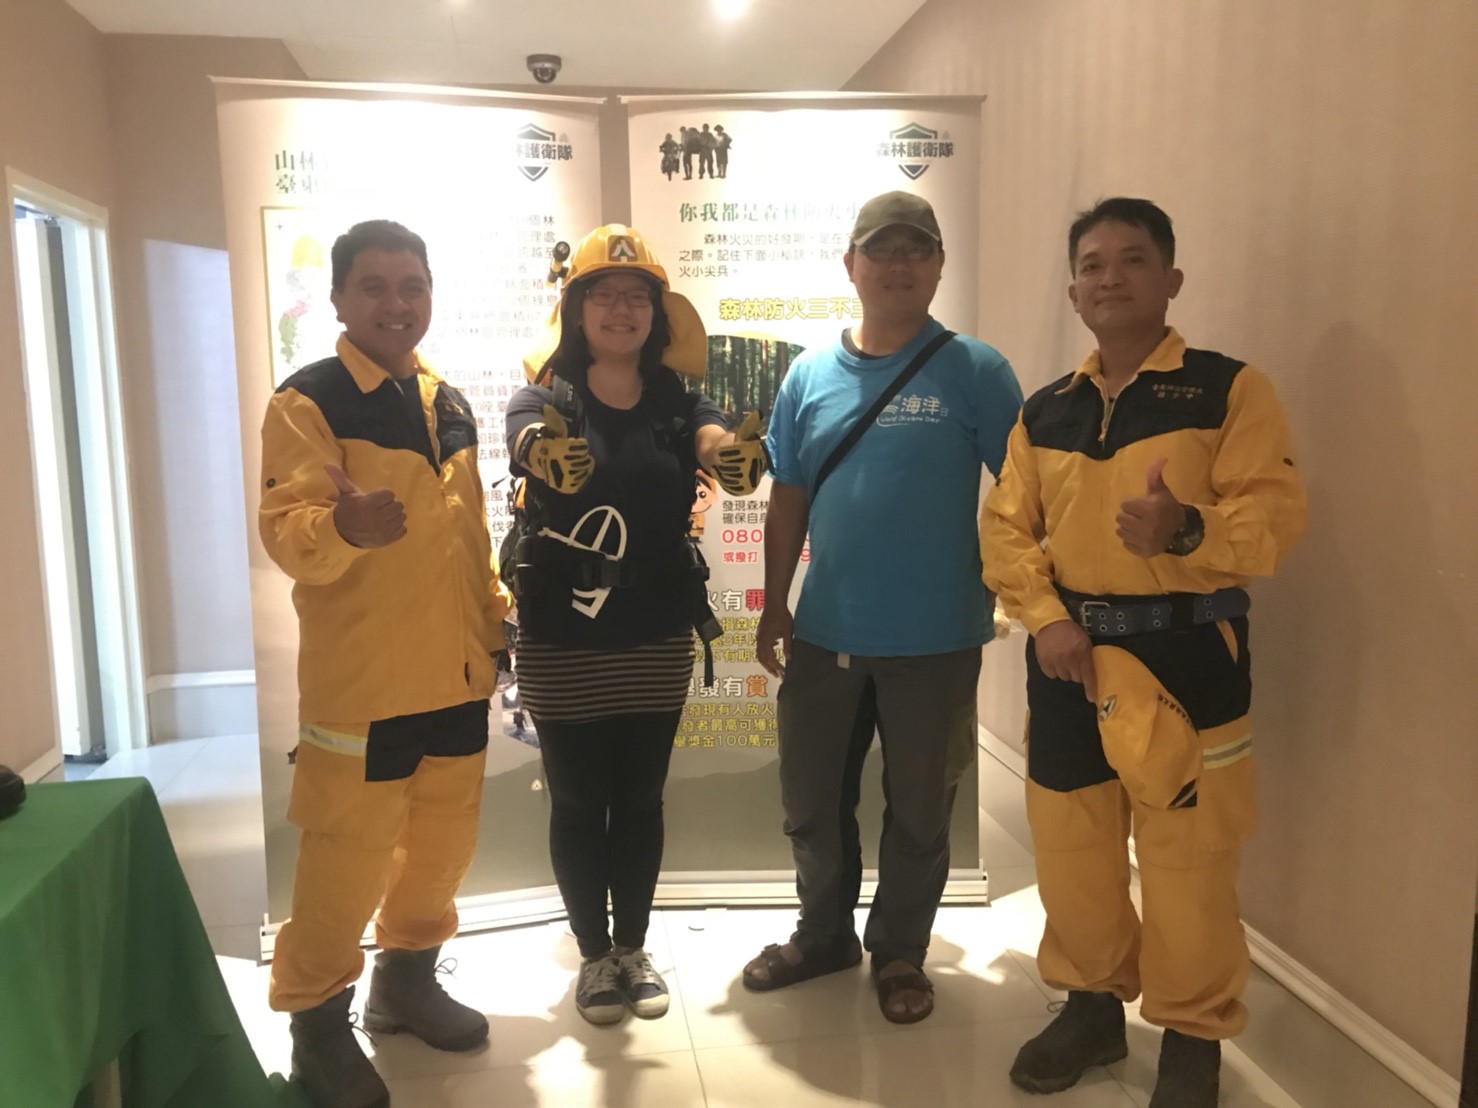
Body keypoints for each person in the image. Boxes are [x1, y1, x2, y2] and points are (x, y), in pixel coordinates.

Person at [981, 198, 1307, 1106]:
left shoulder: (1227, 390)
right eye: (1091, 264)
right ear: (1074, 292)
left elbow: (1276, 518)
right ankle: (1091, 1008)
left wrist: (1186, 528)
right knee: (1071, 849)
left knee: (1190, 860)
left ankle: (1194, 1038)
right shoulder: (1045, 410)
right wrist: (1045, 618)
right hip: (1069, 658)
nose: (1109, 277)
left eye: (1132, 259)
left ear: (1171, 279)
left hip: (1190, 655)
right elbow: (1005, 528)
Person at [744, 191, 1023, 1024]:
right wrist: (775, 604)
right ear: (851, 265)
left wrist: (1012, 584)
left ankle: (900, 949)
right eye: (881, 249)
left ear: (938, 265)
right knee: (811, 800)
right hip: (826, 628)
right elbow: (788, 497)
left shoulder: (977, 371)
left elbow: (1027, 491)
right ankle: (824, 933)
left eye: (915, 249)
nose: (898, 264)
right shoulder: (808, 375)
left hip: (937, 637)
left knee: (922, 808)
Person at [259, 219, 511, 1108]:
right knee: (343, 867)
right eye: (373, 286)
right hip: (363, 690)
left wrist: (496, 620)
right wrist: (342, 525)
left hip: (457, 679)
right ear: (337, 299)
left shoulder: (449, 405)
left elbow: (468, 541)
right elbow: (286, 532)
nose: (396, 304)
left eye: (413, 286)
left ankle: (405, 983)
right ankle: (318, 1030)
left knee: (441, 852)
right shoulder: (309, 401)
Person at [507, 224, 766, 1025]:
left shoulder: (678, 402)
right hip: (562, 640)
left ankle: (632, 946)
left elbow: (714, 438)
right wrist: (540, 452)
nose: (621, 310)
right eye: (604, 295)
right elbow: (524, 437)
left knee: (642, 799)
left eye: (637, 297)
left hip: (653, 633)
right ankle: (594, 955)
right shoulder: (546, 395)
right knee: (578, 801)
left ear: (657, 312)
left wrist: (726, 456)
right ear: (577, 309)